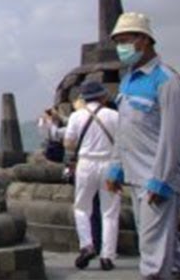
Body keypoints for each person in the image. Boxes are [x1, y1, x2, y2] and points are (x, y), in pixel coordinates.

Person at [104, 11, 180, 280]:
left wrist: (161, 179)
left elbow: (172, 137)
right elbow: (124, 129)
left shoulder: (167, 81)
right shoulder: (128, 81)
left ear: (143, 39)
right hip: (136, 173)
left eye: (125, 40)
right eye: (118, 41)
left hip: (158, 175)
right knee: (159, 237)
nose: (121, 47)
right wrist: (115, 167)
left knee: (152, 247)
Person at [66, 80, 120, 271]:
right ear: (103, 97)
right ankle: (107, 256)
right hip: (110, 165)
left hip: (86, 164)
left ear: (83, 98)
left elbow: (68, 143)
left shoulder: (76, 116)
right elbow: (122, 141)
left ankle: (87, 245)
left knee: (82, 207)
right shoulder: (114, 115)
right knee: (109, 212)